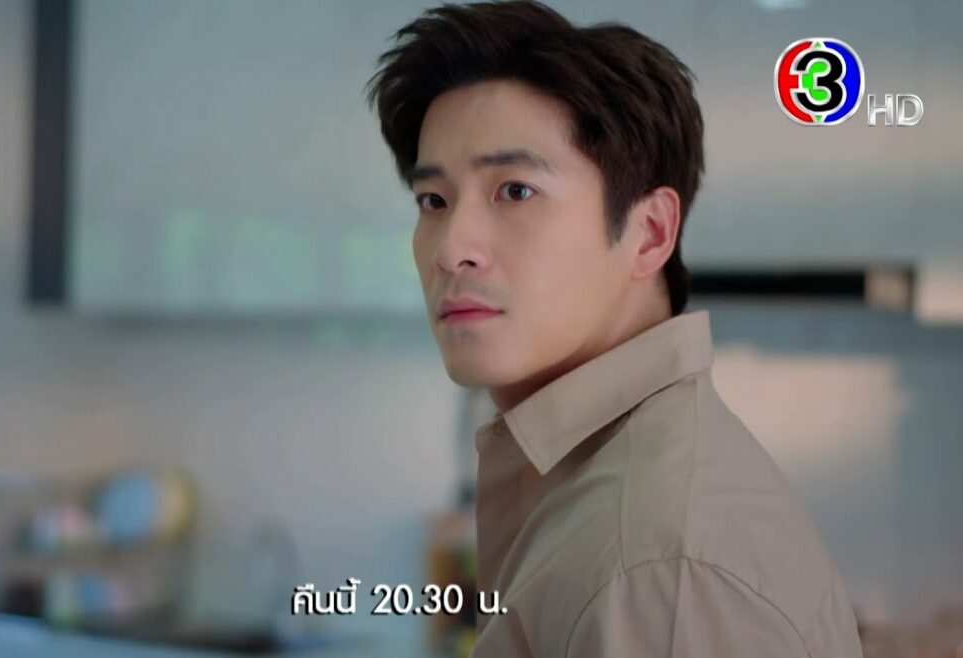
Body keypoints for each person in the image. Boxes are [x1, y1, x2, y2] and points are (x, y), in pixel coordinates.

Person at [364, 2, 864, 656]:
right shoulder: (604, 499)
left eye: (515, 191)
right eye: (433, 200)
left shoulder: (657, 570)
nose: (451, 248)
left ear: (649, 234)